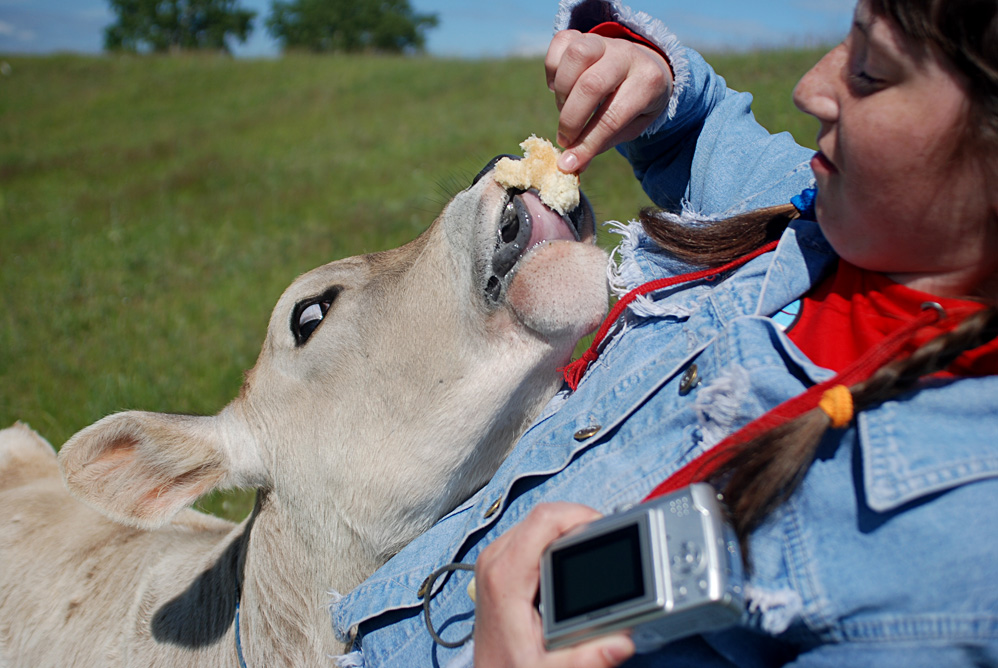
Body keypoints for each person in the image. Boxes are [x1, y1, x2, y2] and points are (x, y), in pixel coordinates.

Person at [330, 0, 998, 666]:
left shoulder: (954, 566)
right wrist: (641, 74)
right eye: (845, 43)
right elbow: (693, 129)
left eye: (872, 72)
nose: (810, 89)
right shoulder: (808, 203)